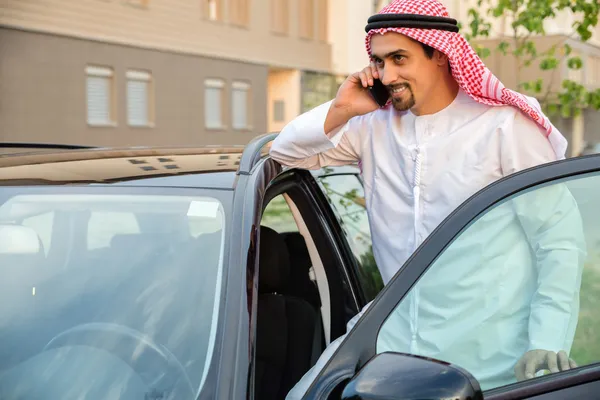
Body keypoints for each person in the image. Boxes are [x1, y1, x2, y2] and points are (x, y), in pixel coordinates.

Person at [270, 0, 586, 397]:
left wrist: (547, 339)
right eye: (380, 62)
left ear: (439, 53)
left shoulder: (504, 128)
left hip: (488, 356)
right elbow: (284, 154)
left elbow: (558, 241)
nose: (388, 74)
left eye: (400, 58)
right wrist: (342, 107)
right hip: (391, 342)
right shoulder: (370, 127)